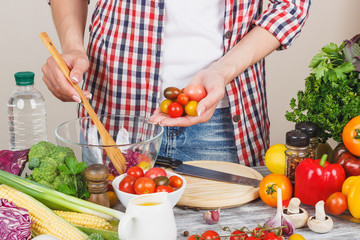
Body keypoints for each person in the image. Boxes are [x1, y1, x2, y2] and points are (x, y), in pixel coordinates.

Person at [41, 0, 311, 168]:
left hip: (222, 120)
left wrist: (224, 70)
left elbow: (291, 6)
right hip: (116, 110)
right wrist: (73, 47)